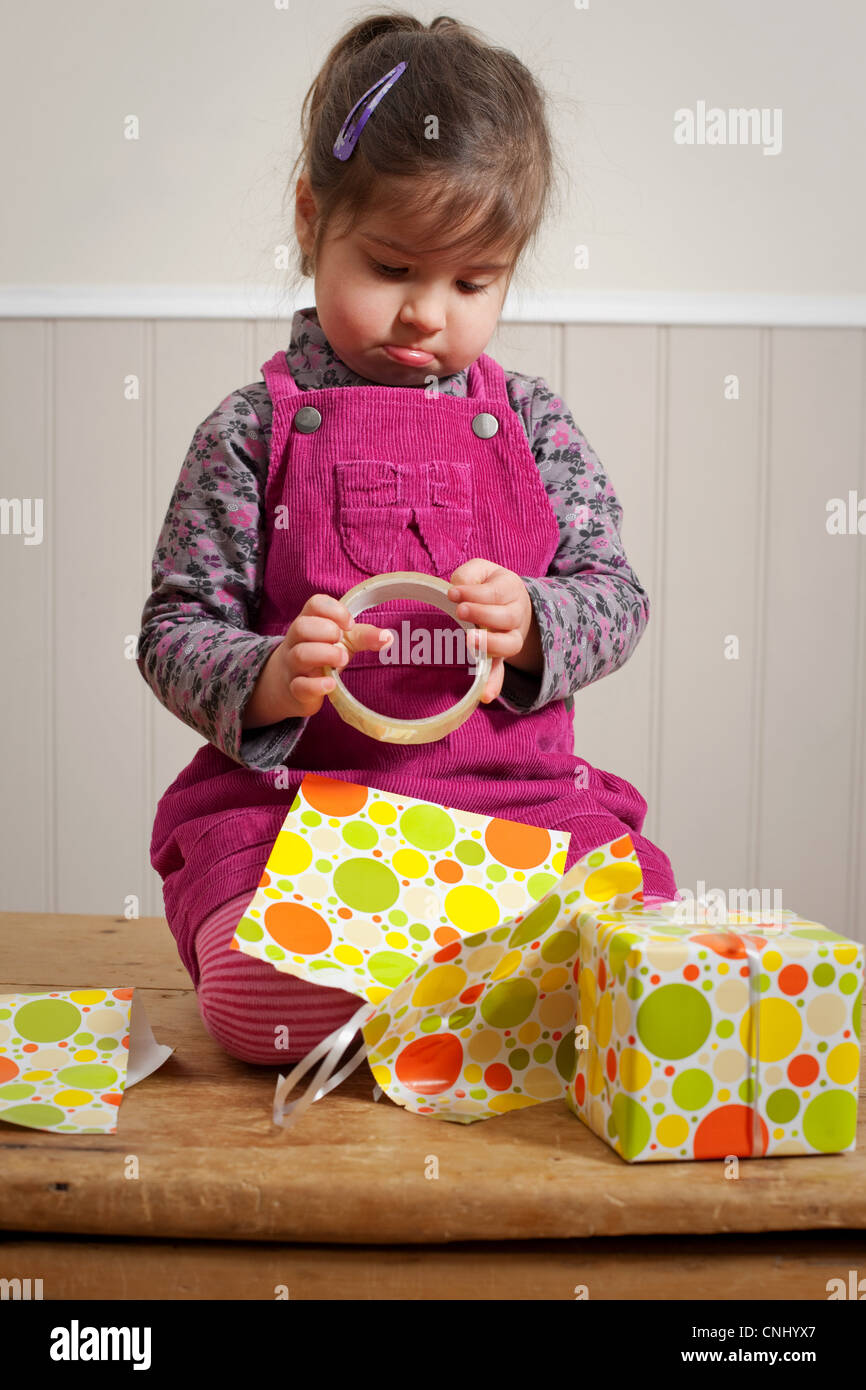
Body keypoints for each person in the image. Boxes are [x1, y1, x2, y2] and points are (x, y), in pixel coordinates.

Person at [138, 11, 679, 1066]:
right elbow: (173, 628)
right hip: (305, 817)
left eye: (472, 283)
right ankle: (449, 997)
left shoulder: (534, 422)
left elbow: (614, 595)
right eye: (390, 267)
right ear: (311, 221)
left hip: (505, 804)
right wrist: (266, 673)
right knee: (261, 1011)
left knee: (644, 932)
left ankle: (447, 986)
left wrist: (534, 622)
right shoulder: (249, 431)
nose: (427, 313)